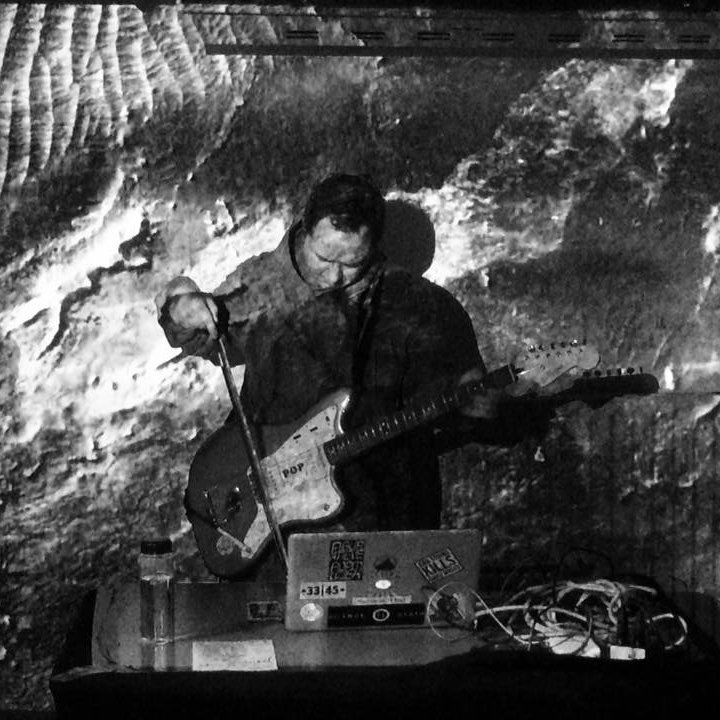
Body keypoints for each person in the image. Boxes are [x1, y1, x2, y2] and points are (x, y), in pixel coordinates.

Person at [155, 174, 538, 568]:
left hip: (384, 514)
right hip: (275, 516)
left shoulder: (425, 307)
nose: (335, 276)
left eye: (353, 263)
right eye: (323, 258)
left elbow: (471, 410)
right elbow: (194, 336)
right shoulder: (265, 285)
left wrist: (484, 409)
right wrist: (179, 304)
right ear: (305, 232)